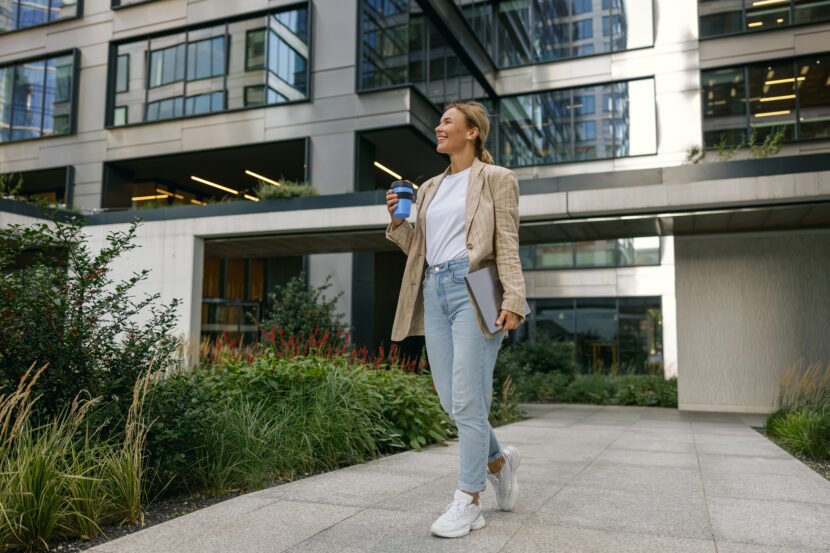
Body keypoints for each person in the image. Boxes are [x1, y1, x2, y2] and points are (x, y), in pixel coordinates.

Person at [384, 101, 526, 538]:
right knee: (452, 401)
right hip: (434, 288)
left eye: (447, 121)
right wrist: (398, 223)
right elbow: (420, 249)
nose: (439, 127)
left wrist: (514, 298)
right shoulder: (429, 187)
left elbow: (507, 242)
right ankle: (498, 461)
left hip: (476, 287)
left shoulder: (497, 178)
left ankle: (469, 500)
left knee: (467, 399)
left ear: (472, 132)